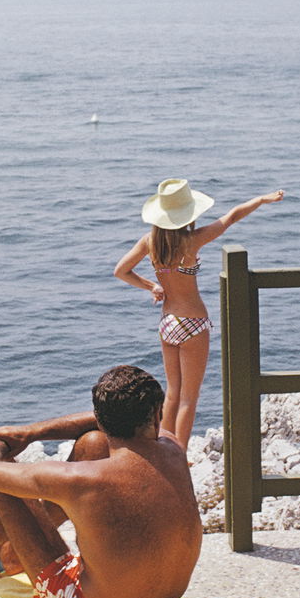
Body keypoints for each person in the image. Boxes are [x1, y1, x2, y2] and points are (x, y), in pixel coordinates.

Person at [0, 365, 201, 598]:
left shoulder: (80, 480)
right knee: (93, 443)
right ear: (157, 415)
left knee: (0, 480)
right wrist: (31, 433)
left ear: (101, 416)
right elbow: (97, 428)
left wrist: (3, 441)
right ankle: (15, 554)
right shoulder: (172, 447)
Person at [113, 180, 284, 448]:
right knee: (189, 399)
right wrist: (261, 200)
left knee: (172, 394)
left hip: (167, 323)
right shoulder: (191, 242)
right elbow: (230, 218)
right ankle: (179, 455)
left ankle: (163, 449)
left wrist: (152, 286)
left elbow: (121, 270)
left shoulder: (150, 242)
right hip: (192, 323)